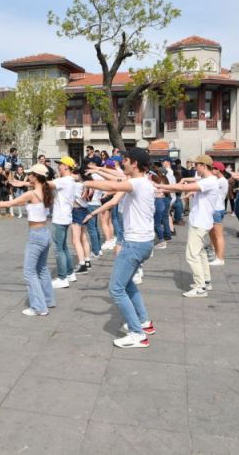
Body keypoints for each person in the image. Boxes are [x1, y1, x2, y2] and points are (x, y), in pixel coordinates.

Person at [84, 148, 156, 348]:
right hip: (142, 242)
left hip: (134, 243)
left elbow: (111, 183)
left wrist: (85, 181)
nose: (122, 163)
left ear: (134, 163)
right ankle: (143, 322)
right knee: (127, 284)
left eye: (125, 160)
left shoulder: (137, 183)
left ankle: (137, 333)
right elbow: (115, 184)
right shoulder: (143, 183)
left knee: (116, 288)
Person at [0, 163, 56, 316]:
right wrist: (20, 183)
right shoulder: (47, 191)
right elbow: (36, 184)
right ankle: (48, 300)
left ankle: (39, 307)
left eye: (30, 174)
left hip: (36, 236)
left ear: (36, 177)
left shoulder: (31, 194)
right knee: (42, 269)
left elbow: (10, 203)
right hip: (45, 233)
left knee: (29, 272)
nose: (28, 176)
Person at [157, 155, 220, 298]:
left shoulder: (209, 182)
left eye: (196, 165)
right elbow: (191, 182)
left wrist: (160, 185)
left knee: (192, 255)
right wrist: (185, 180)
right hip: (201, 221)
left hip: (200, 223)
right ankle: (206, 281)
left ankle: (200, 287)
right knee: (201, 253)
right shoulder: (207, 180)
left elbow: (182, 187)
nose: (194, 167)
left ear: (204, 166)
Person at [46, 157, 78, 289]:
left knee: (59, 249)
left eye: (60, 165)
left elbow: (46, 184)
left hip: (60, 218)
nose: (58, 166)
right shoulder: (69, 180)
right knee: (64, 247)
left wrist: (26, 182)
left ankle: (62, 277)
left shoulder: (64, 180)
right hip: (65, 217)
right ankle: (70, 273)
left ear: (66, 166)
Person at [208, 162, 229, 266]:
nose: (212, 170)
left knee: (218, 235)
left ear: (219, 170)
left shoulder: (221, 181)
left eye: (213, 168)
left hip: (217, 209)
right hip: (216, 208)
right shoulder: (218, 180)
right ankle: (216, 253)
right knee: (213, 234)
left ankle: (220, 258)